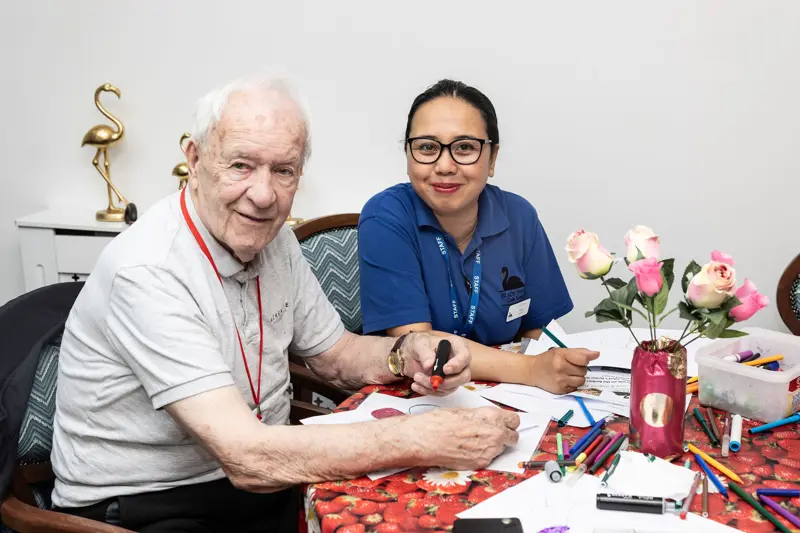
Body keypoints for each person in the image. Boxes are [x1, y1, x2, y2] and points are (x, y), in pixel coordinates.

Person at [49, 74, 520, 533]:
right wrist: (422, 438)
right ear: (194, 159)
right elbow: (246, 457)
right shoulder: (148, 270)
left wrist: (406, 352)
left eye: (283, 170)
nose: (263, 195)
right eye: (241, 165)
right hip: (146, 506)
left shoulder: (274, 241)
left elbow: (337, 356)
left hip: (263, 485)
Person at [358, 79, 599, 395]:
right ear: (408, 154)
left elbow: (538, 331)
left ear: (493, 158)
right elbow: (421, 347)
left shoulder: (519, 216)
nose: (445, 166)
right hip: (419, 395)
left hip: (514, 394)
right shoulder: (385, 217)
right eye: (427, 147)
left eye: (465, 148)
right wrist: (532, 369)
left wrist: (554, 367)